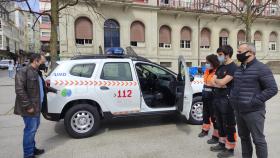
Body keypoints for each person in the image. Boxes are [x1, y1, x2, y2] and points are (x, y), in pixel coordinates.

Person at [230, 43, 278, 158]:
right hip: (239, 110)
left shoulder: (262, 68)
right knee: (244, 138)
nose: (237, 54)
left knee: (258, 140)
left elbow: (272, 89)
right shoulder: (239, 68)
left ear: (250, 53)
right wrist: (232, 97)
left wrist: (253, 101)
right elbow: (235, 86)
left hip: (254, 112)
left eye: (240, 52)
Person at [14, 53, 57, 158]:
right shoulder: (23, 72)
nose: (43, 64)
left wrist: (53, 90)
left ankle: (32, 149)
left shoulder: (37, 72)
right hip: (30, 108)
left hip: (37, 107)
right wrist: (28, 106)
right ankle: (28, 155)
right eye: (42, 62)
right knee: (30, 130)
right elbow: (19, 91)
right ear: (36, 61)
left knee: (33, 130)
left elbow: (40, 87)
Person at [210, 46, 238, 158]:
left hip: (227, 99)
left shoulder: (233, 67)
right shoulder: (221, 66)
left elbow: (222, 82)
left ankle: (230, 148)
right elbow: (212, 81)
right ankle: (222, 143)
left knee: (229, 124)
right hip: (217, 97)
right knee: (219, 122)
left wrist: (220, 83)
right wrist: (220, 83)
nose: (218, 57)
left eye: (220, 54)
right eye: (218, 54)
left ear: (227, 55)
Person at [198, 54, 220, 145]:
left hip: (213, 97)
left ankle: (216, 136)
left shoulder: (218, 71)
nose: (206, 64)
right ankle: (205, 130)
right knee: (206, 115)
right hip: (205, 96)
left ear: (213, 62)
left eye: (207, 62)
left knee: (214, 117)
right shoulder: (207, 71)